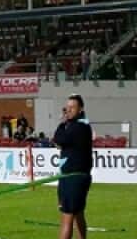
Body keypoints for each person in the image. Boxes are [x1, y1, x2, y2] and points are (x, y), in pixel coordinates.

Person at [53, 94, 93, 239]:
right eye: (66, 107)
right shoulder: (77, 125)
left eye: (72, 107)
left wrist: (62, 123)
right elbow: (59, 142)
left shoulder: (80, 126)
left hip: (74, 177)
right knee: (77, 214)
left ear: (80, 109)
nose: (68, 110)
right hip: (70, 175)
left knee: (67, 217)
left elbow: (58, 139)